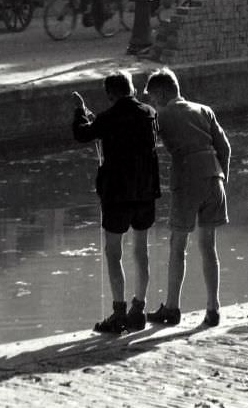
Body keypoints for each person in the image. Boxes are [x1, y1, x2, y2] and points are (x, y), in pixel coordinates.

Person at [72, 70, 160, 333]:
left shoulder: (108, 118)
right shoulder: (150, 113)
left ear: (110, 94)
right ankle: (139, 309)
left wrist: (79, 112)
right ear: (131, 89)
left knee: (114, 253)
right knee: (141, 251)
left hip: (117, 194)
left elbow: (83, 134)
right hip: (145, 192)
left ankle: (118, 311)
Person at [143, 67, 230, 327]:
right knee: (208, 246)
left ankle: (172, 308)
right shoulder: (205, 110)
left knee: (177, 246)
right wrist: (221, 177)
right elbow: (224, 147)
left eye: (151, 97)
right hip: (214, 178)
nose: (151, 102)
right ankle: (213, 308)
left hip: (186, 179)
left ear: (160, 93)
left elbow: (146, 145)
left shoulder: (161, 116)